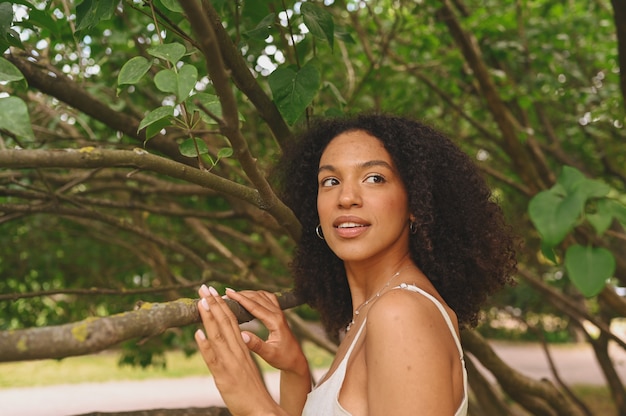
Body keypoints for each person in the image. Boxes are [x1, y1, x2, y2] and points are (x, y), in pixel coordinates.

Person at [194, 113, 518, 415]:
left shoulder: (400, 315)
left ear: (415, 204)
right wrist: (295, 371)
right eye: (330, 181)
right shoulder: (370, 313)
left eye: (374, 178)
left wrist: (254, 405)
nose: (346, 197)